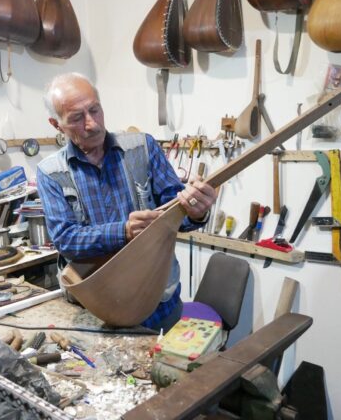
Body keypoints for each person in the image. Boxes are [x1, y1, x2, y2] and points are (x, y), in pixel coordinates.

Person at [36, 73, 217, 331]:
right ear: (56, 124)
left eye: (94, 110)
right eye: (76, 118)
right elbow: (66, 240)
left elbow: (177, 213)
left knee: (167, 358)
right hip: (96, 307)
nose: (92, 124)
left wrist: (196, 212)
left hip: (159, 302)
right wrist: (123, 231)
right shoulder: (51, 173)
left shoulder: (143, 148)